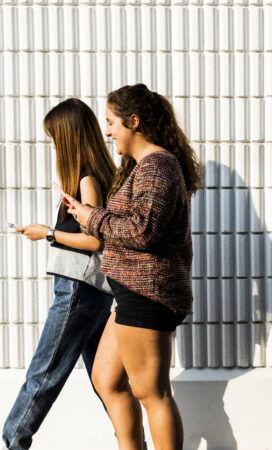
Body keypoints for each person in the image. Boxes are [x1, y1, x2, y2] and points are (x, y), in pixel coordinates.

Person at [63, 84, 201, 450]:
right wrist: (86, 214)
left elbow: (142, 232)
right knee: (106, 379)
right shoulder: (141, 166)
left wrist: (91, 217)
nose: (107, 131)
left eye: (111, 122)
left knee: (152, 392)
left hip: (149, 292)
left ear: (134, 122)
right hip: (130, 291)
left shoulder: (158, 166)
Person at [3, 98, 116, 450]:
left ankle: (13, 441)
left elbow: (95, 240)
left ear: (68, 139)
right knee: (107, 380)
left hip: (78, 291)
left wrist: (47, 233)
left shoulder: (86, 179)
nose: (53, 147)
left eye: (55, 139)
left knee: (44, 373)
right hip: (93, 291)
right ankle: (133, 442)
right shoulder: (94, 175)